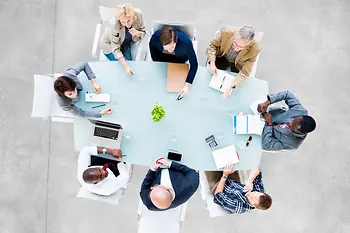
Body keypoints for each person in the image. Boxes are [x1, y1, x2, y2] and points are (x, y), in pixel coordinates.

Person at [206, 25, 261, 99]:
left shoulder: (255, 48)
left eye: (240, 47)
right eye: (235, 43)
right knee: (209, 79)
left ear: (249, 44)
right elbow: (212, 46)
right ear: (235, 36)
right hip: (222, 57)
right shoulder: (225, 32)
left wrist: (232, 85)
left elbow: (245, 72)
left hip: (238, 64)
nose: (236, 48)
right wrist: (212, 62)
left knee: (237, 92)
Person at [149, 26, 198, 98]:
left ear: (176, 40)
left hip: (180, 60)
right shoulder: (156, 37)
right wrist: (156, 61)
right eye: (166, 48)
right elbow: (151, 45)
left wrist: (187, 85)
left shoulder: (186, 42)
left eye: (172, 47)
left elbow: (194, 65)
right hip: (162, 58)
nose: (169, 51)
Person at [205, 166, 272, 214]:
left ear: (255, 206)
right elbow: (257, 169)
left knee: (209, 163)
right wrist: (250, 181)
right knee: (229, 159)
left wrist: (225, 175)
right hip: (233, 181)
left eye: (251, 198)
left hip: (218, 185)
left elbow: (218, 195)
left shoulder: (237, 206)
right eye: (255, 192)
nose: (250, 193)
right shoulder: (259, 192)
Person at [101, 3, 145, 75]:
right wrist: (126, 67)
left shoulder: (139, 15)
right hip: (110, 46)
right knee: (125, 69)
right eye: (123, 22)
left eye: (129, 21)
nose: (127, 25)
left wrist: (137, 33)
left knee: (132, 66)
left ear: (133, 16)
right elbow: (115, 48)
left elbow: (143, 32)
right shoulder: (114, 24)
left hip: (126, 43)